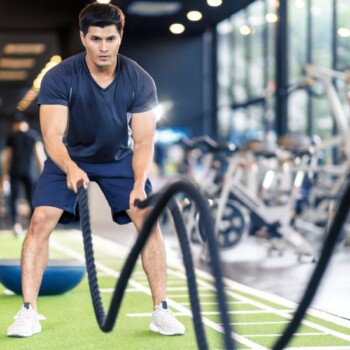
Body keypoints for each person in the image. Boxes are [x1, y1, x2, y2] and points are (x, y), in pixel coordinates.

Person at [7, 2, 185, 338]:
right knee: (41, 218)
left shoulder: (139, 80)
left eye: (110, 39)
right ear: (83, 38)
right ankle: (28, 311)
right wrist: (71, 167)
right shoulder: (61, 77)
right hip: (68, 156)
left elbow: (144, 141)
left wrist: (138, 184)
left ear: (120, 37)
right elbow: (51, 136)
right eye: (95, 39)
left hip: (119, 157)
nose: (103, 47)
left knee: (148, 220)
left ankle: (161, 309)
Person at [1, 112, 46, 236]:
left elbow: (7, 158)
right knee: (31, 198)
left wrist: (5, 176)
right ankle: (34, 226)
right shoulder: (34, 136)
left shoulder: (11, 137)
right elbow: (40, 157)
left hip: (14, 171)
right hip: (30, 172)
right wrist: (44, 174)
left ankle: (16, 225)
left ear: (15, 124)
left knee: (14, 199)